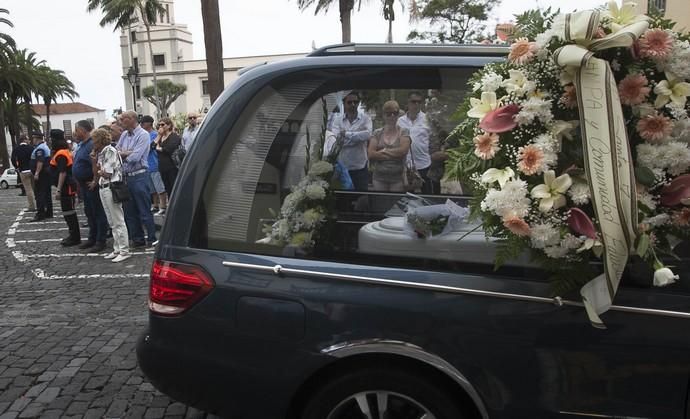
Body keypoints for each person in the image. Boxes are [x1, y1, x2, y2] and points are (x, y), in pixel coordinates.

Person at [116, 110, 156, 247]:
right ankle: (137, 239)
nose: (120, 122)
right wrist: (126, 153)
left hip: (139, 176)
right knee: (130, 211)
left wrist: (125, 154)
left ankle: (151, 238)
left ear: (131, 119)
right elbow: (116, 154)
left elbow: (135, 157)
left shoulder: (143, 135)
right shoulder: (124, 135)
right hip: (127, 178)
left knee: (144, 210)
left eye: (123, 119)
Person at [92, 128, 131, 263]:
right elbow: (98, 171)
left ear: (99, 140)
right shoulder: (102, 153)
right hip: (104, 187)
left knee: (117, 219)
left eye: (94, 140)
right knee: (112, 220)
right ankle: (117, 248)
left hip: (111, 186)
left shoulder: (109, 151)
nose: (93, 143)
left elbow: (106, 173)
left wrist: (100, 171)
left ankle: (124, 250)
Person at [73, 120, 108, 253]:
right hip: (84, 184)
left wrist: (95, 180)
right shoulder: (83, 145)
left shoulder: (91, 145)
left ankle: (100, 240)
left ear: (82, 130)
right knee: (89, 213)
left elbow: (97, 164)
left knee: (97, 212)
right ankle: (92, 237)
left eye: (76, 130)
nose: (75, 133)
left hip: (91, 184)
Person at [330, 91, 373, 191]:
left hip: (360, 168)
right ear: (344, 103)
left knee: (361, 200)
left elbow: (367, 135)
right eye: (349, 102)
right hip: (343, 168)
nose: (353, 104)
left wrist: (346, 134)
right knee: (344, 200)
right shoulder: (337, 120)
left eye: (356, 102)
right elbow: (338, 141)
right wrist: (357, 137)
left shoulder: (366, 119)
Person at [367, 101, 411, 192]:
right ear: (383, 115)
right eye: (388, 114)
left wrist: (384, 151)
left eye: (395, 113)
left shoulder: (404, 132)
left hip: (398, 178)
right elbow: (371, 154)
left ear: (398, 115)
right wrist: (395, 154)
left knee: (395, 205)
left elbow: (403, 151)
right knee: (381, 203)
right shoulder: (377, 133)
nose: (392, 116)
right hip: (379, 177)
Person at [48, 130, 81, 246]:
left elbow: (62, 172)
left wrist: (58, 189)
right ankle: (73, 235)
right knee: (68, 212)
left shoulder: (61, 154)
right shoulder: (63, 151)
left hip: (66, 187)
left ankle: (75, 237)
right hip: (66, 186)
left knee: (69, 212)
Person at [398, 91, 432, 193]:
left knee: (428, 197)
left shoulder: (428, 119)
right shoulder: (400, 121)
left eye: (419, 102)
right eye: (413, 101)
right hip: (406, 166)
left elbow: (434, 141)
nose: (416, 104)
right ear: (408, 103)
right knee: (408, 198)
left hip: (424, 164)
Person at [141, 115, 167, 214]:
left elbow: (151, 147)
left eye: (143, 123)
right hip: (147, 165)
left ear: (149, 123)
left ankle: (163, 206)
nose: (142, 125)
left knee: (159, 186)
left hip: (155, 163)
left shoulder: (154, 134)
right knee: (152, 188)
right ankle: (155, 205)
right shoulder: (144, 135)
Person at [153, 117, 182, 204]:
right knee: (167, 187)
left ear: (169, 125)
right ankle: (170, 204)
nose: (160, 127)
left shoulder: (174, 136)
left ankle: (176, 204)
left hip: (172, 166)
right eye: (159, 125)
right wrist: (159, 136)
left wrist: (158, 148)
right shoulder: (160, 137)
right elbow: (152, 146)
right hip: (162, 166)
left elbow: (169, 149)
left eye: (163, 125)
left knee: (174, 187)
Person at [29, 131, 53, 222]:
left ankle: (40, 214)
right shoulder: (45, 146)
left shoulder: (40, 148)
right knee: (47, 193)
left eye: (34, 138)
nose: (33, 140)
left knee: (40, 194)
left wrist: (37, 173)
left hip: (42, 175)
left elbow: (40, 161)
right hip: (46, 174)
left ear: (37, 138)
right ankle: (49, 212)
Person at [11, 135, 35, 211]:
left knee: (28, 190)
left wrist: (17, 167)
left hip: (23, 171)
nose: (29, 141)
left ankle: (32, 206)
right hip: (32, 170)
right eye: (28, 139)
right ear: (24, 140)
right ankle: (40, 205)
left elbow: (12, 159)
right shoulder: (31, 148)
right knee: (36, 189)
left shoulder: (16, 149)